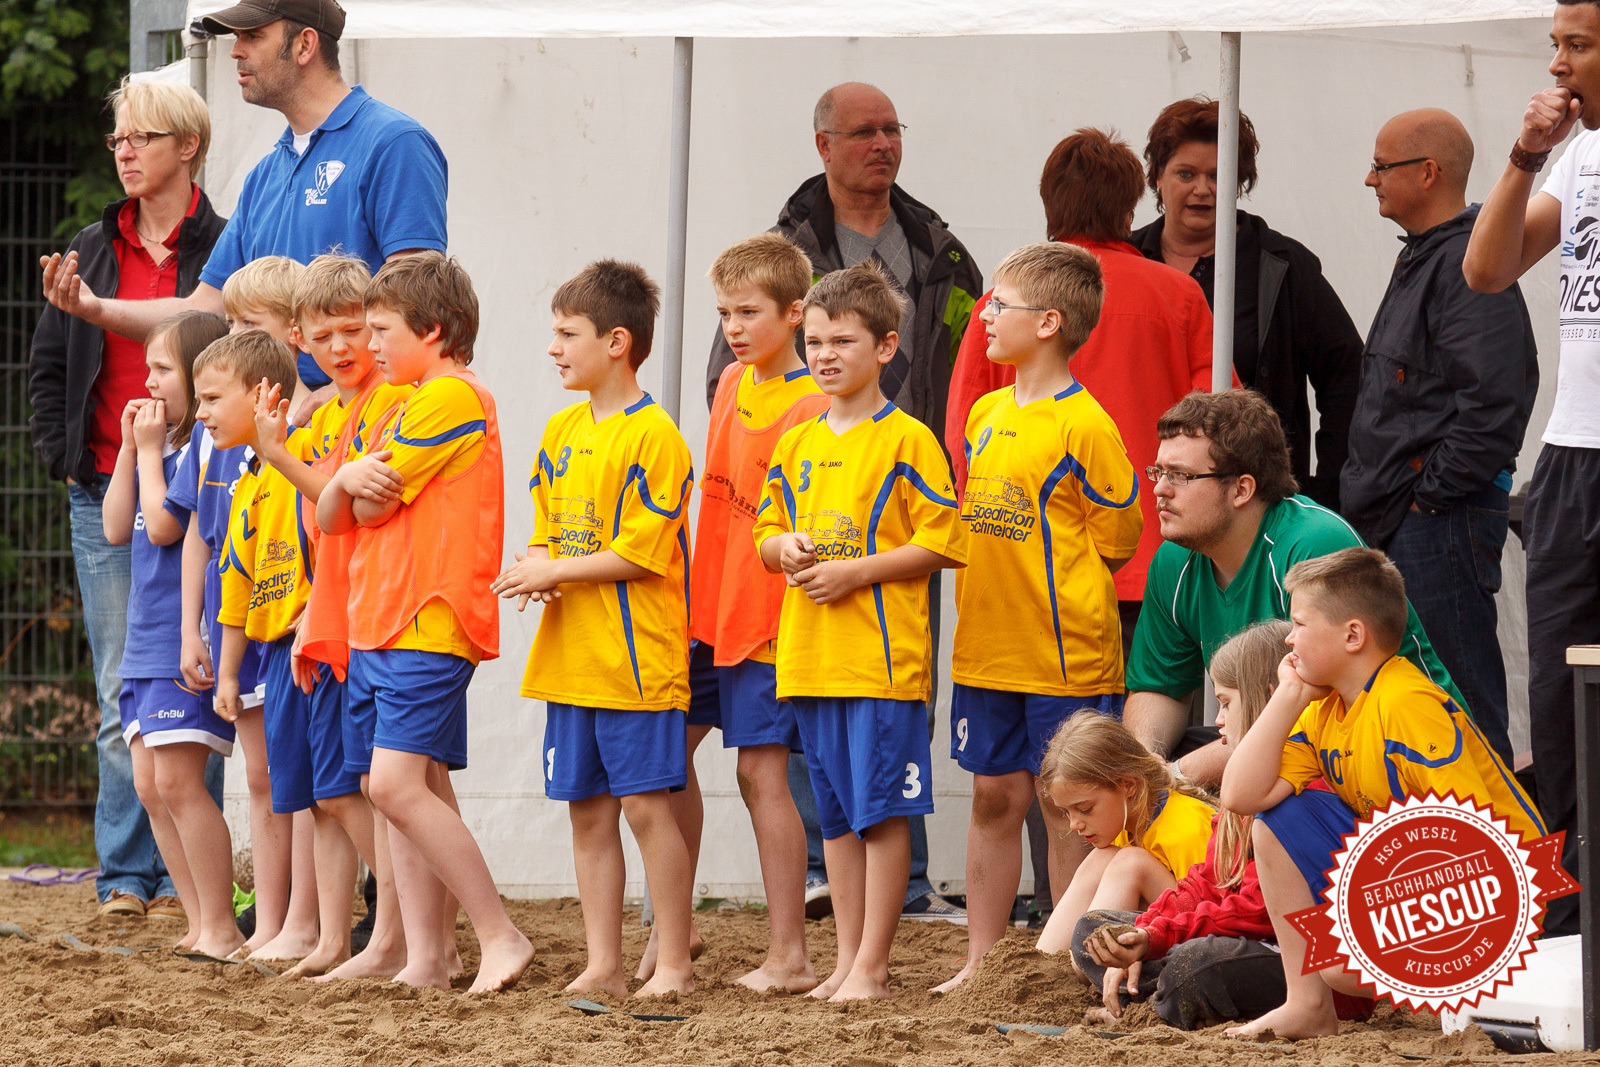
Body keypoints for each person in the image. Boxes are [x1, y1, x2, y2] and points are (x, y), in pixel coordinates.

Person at [706, 82, 981, 924]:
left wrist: (945, 452)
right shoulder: (781, 245)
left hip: (900, 498)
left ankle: (907, 883)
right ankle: (833, 880)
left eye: (894, 128)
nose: (883, 143)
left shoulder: (940, 248)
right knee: (816, 717)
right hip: (816, 527)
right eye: (864, 131)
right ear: (822, 144)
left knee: (899, 702)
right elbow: (733, 370)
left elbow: (975, 364)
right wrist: (773, 542)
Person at [39, 0, 448, 422]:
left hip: (362, 428)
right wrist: (96, 309)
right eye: (237, 37)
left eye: (253, 36)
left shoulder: (394, 143)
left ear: (305, 45)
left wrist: (344, 391)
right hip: (274, 429)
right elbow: (206, 308)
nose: (235, 51)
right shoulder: (264, 175)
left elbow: (417, 301)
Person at [27, 75, 227, 919]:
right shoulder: (91, 242)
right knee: (123, 693)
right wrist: (63, 455)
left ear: (188, 147)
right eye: (118, 140)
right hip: (105, 491)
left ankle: (193, 886)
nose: (124, 151)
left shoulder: (222, 243)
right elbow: (47, 361)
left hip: (193, 488)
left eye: (141, 137)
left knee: (198, 681)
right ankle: (122, 877)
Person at [1220, 548, 1545, 1038]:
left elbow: (1475, 841)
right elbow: (1241, 796)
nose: (1288, 639)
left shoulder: (1406, 703)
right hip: (1425, 880)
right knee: (1278, 820)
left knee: (1338, 964)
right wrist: (1287, 695)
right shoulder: (1323, 706)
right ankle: (1306, 1006)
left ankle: (1469, 989)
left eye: (1300, 624)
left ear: (1353, 635)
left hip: (1501, 894)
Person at [319, 252, 533, 994]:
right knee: (416, 790)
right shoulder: (407, 402)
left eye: (381, 329)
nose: (369, 345)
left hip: (425, 617)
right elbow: (340, 509)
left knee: (394, 786)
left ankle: (500, 933)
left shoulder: (451, 396)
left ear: (433, 330)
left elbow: (367, 507)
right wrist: (346, 481)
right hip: (383, 619)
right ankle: (430, 955)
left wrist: (349, 482)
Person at [754, 262, 969, 1001]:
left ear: (886, 346)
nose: (823, 354)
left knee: (881, 817)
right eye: (813, 340)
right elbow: (766, 532)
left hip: (881, 666)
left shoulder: (908, 439)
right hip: (810, 662)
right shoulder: (797, 439)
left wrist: (856, 572)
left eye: (841, 339)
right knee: (838, 824)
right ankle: (846, 961)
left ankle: (873, 966)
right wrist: (783, 550)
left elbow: (944, 542)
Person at [933, 242, 1142, 994]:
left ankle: (1059, 963)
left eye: (1000, 304)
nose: (985, 315)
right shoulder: (986, 411)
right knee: (993, 797)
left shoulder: (1085, 424)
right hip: (985, 650)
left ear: (1049, 322)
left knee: (1068, 811)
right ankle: (982, 964)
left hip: (1065, 657)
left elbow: (1118, 539)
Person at [492, 260, 696, 998]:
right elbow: (548, 531)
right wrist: (534, 563)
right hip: (571, 657)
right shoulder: (558, 428)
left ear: (617, 341)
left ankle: (672, 958)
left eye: (565, 333)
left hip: (637, 660)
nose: (553, 347)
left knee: (646, 806)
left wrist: (553, 571)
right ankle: (604, 963)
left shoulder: (656, 436)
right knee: (587, 812)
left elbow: (641, 552)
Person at [1123, 389, 1465, 789]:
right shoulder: (1174, 558)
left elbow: (1307, 713)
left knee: (1264, 813)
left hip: (1401, 756)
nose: (1160, 489)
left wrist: (1175, 777)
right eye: (1158, 472)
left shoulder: (1312, 545)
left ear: (1242, 490)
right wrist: (1142, 768)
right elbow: (1159, 689)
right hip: (1290, 743)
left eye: (1180, 475)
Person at [1461, 0, 1600, 939]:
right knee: (1556, 692)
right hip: (1571, 452)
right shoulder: (1580, 152)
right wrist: (1519, 157)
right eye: (1553, 43)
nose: (1556, 64)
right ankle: (1573, 903)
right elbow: (1487, 267)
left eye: (1577, 45)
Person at [1344, 109, 1539, 768]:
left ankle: (1501, 860)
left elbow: (1496, 398)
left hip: (1438, 522)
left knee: (1459, 706)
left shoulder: (1464, 260)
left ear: (1427, 173)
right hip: (1410, 517)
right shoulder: (1429, 256)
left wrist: (1431, 499)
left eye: (1382, 164)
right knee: (1420, 706)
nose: (1369, 178)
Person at [1072, 620, 1373, 1031]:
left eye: (1226, 703)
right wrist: (1144, 932)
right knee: (1095, 933)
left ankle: (1152, 1004)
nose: (1216, 720)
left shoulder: (1301, 783)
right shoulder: (1243, 787)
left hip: (1315, 972)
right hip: (1240, 940)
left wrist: (1159, 937)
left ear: (1268, 701)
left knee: (1193, 967)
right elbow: (1207, 881)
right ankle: (1153, 997)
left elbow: (1258, 910)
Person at [262, 254, 413, 980]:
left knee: (367, 791)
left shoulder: (389, 402)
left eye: (357, 330)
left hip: (371, 622)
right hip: (327, 618)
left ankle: (398, 933)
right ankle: (334, 937)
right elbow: (327, 504)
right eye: (325, 338)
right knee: (331, 794)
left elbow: (353, 504)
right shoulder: (333, 412)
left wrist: (279, 455)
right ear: (301, 340)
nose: (343, 348)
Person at [691, 234, 829, 994]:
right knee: (657, 758)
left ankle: (790, 952)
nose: (735, 328)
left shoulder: (808, 404)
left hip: (766, 616)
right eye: (724, 314)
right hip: (708, 608)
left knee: (759, 771)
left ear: (795, 311)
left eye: (749, 312)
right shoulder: (731, 383)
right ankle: (674, 931)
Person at [1131, 98, 1361, 509]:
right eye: (1186, 173)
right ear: (1157, 178)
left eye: (1219, 175)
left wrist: (1327, 488)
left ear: (1241, 183)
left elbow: (1346, 377)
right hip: (1135, 494)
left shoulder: (1283, 266)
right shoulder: (1125, 261)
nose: (1203, 189)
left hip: (1249, 504)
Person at [102, 310, 237, 953]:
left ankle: (220, 921)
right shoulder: (159, 449)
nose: (149, 382)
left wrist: (152, 451)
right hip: (142, 636)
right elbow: (113, 525)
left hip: (177, 636)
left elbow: (163, 528)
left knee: (180, 783)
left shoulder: (200, 448)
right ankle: (197, 920)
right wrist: (132, 449)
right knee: (151, 786)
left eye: (162, 369)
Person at [211, 257, 321, 959]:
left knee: (317, 791)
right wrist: (228, 668)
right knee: (289, 785)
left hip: (310, 638)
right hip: (274, 643)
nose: (233, 337)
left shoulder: (305, 444)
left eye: (246, 326)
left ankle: (307, 923)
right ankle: (286, 923)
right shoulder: (254, 466)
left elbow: (328, 541)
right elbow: (235, 574)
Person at [1034, 712, 1215, 958]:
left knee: (1130, 863)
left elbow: (1212, 916)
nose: (1074, 824)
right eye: (1066, 812)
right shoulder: (1122, 824)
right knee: (1105, 858)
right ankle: (1044, 959)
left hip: (1200, 941)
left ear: (1128, 785)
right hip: (1160, 931)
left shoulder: (1185, 828)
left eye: (1084, 809)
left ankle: (1084, 961)